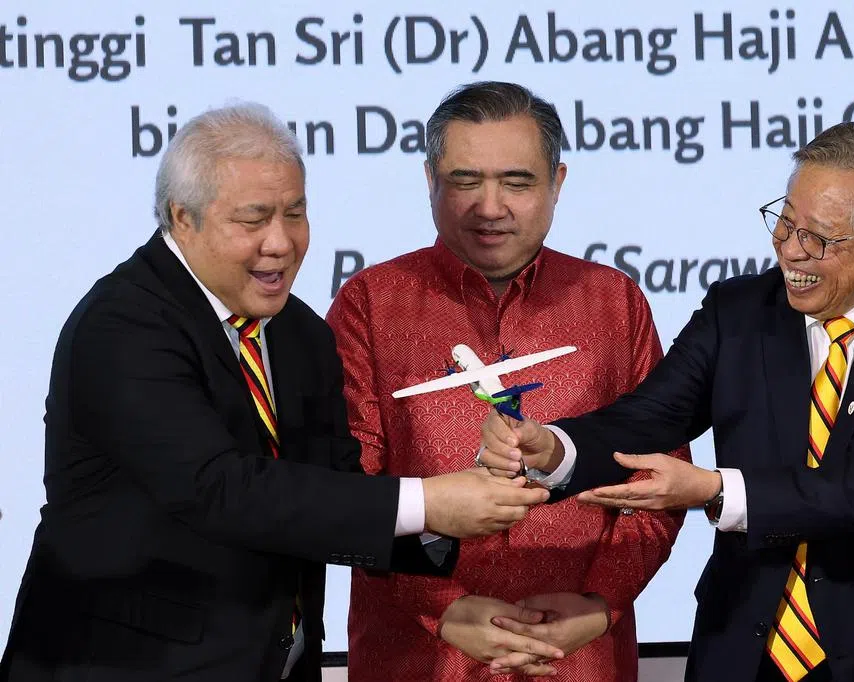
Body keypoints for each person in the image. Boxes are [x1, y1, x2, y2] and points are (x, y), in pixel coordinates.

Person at [0, 103, 555, 682]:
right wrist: (428, 502)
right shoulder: (123, 325)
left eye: (295, 213)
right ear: (182, 218)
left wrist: (458, 512)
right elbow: (220, 489)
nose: (281, 243)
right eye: (253, 219)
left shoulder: (299, 332)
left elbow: (331, 485)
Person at [480, 121, 854, 682]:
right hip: (746, 651)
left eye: (820, 239)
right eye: (785, 221)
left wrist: (714, 489)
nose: (789, 250)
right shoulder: (737, 311)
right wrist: (554, 447)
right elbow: (649, 416)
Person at [326, 81, 688, 680]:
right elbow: (348, 492)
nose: (490, 207)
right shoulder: (370, 304)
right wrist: (440, 607)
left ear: (557, 183)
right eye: (465, 181)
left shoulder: (614, 303)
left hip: (579, 659)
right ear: (429, 181)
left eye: (517, 182)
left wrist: (601, 602)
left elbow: (659, 478)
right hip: (421, 658)